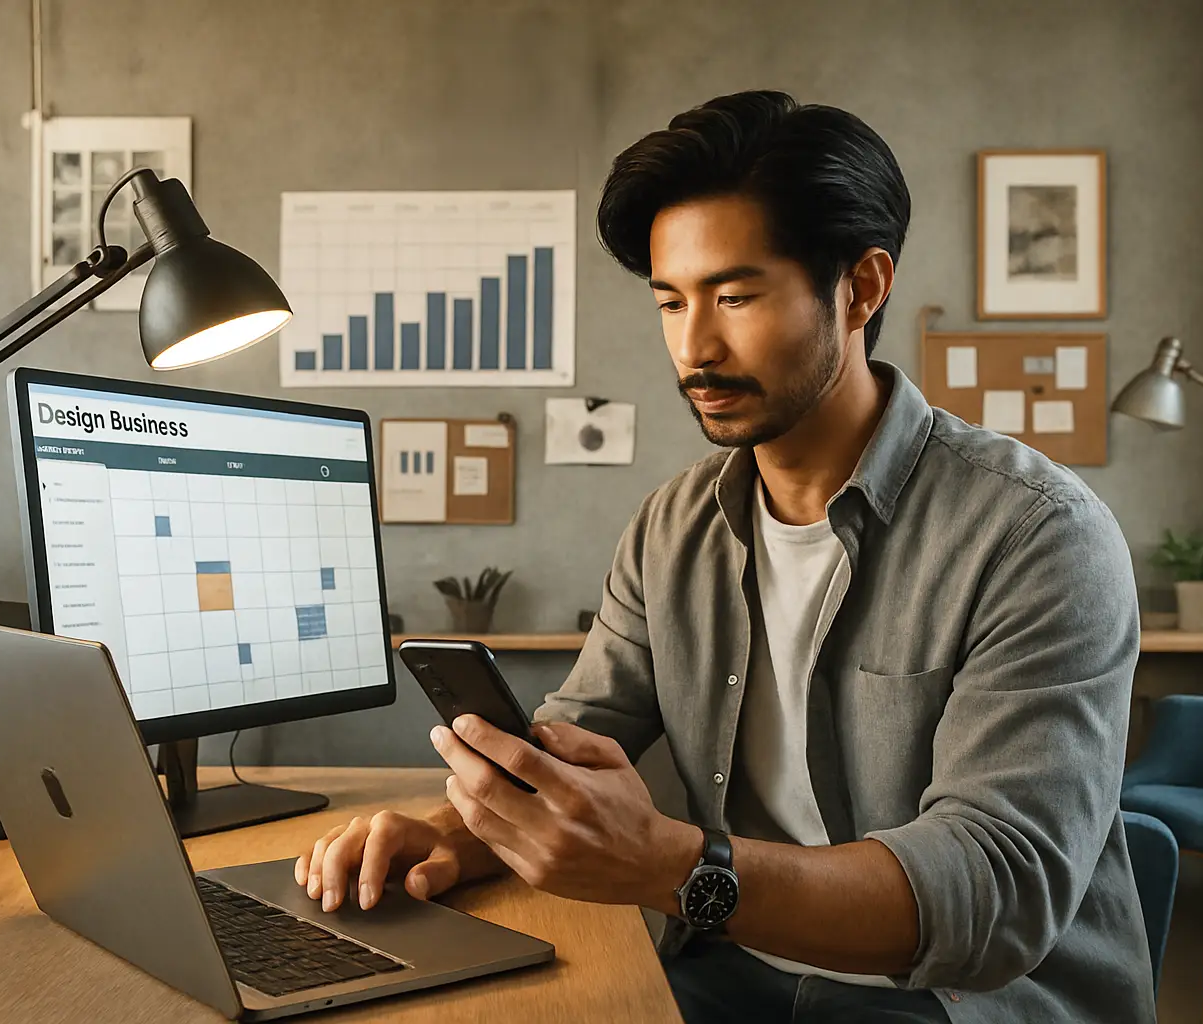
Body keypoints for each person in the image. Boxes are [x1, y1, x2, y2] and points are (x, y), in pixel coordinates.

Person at [296, 90, 1154, 1023]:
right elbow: (579, 729)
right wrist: (452, 835)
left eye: (736, 297)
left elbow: (994, 895)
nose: (694, 347)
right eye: (671, 301)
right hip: (732, 973)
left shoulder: (1037, 536)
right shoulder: (674, 526)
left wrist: (672, 866)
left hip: (957, 1002)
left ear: (862, 287)